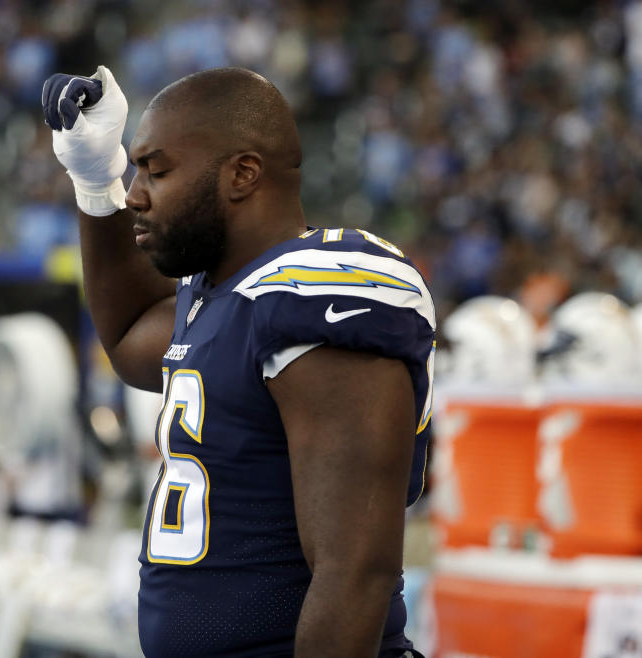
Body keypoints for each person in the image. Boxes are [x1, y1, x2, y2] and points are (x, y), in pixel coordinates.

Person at [42, 66, 435, 657]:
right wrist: (97, 179)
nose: (138, 193)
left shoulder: (318, 293)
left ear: (243, 174)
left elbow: (355, 573)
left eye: (157, 169)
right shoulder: (222, 297)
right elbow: (126, 339)